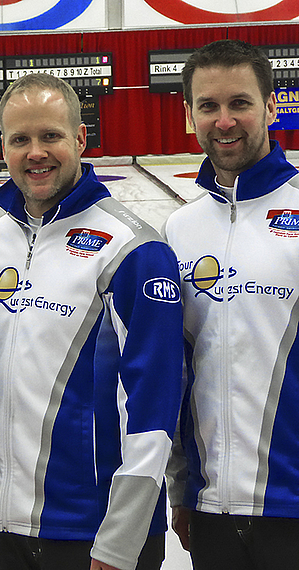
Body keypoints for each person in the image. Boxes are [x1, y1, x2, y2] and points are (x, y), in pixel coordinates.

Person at [0, 72, 184, 570]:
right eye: (20, 139)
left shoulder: (134, 250)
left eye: (50, 136)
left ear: (81, 138)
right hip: (9, 525)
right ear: (3, 145)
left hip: (95, 533)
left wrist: (121, 537)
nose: (35, 152)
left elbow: (155, 405)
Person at [164, 39, 299, 569]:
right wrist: (182, 489)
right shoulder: (180, 229)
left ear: (271, 106)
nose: (224, 121)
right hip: (212, 507)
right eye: (209, 106)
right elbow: (175, 372)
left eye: (240, 103)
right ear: (189, 114)